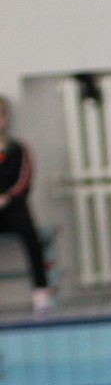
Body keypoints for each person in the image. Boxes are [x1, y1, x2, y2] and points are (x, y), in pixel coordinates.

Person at [0, 97, 50, 315]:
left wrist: (7, 197)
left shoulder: (18, 149)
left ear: (6, 118)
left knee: (31, 235)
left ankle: (41, 292)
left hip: (13, 209)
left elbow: (25, 180)